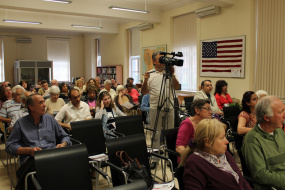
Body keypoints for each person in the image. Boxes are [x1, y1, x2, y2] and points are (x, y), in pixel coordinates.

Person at [181, 119, 251, 190]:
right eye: (222, 138)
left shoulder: (223, 153)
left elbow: (241, 180)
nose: (227, 141)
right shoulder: (194, 163)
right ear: (207, 142)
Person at [5, 93, 71, 164]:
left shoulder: (50, 119)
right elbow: (9, 146)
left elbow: (65, 136)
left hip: (52, 156)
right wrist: (29, 150)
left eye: (44, 102)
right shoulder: (20, 124)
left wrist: (63, 144)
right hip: (32, 159)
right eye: (41, 103)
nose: (45, 105)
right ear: (31, 107)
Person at [141, 51, 180, 169]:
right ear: (154, 61)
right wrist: (145, 80)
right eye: (160, 59)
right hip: (155, 108)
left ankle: (169, 158)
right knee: (155, 134)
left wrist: (172, 75)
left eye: (164, 59)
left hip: (170, 107)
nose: (163, 61)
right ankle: (154, 158)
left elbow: (177, 86)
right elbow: (143, 92)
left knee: (169, 134)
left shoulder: (168, 73)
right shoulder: (150, 74)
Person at [242, 96, 285, 190]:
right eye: (280, 112)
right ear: (266, 117)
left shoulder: (279, 131)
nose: (284, 115)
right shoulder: (252, 140)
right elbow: (260, 175)